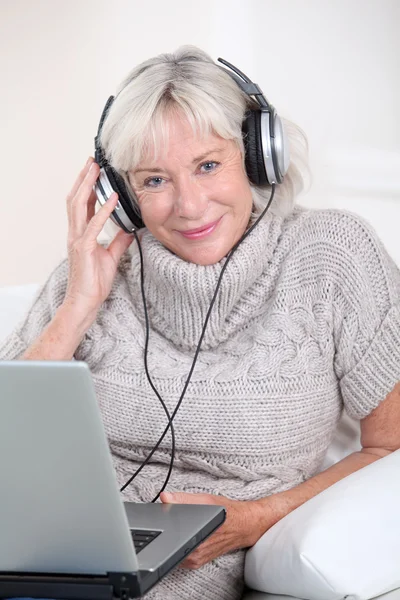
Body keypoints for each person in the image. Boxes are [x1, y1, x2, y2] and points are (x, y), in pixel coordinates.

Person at [1, 46, 400, 600]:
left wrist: (255, 517)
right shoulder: (99, 271)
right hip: (47, 536)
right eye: (155, 180)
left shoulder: (332, 256)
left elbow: (389, 447)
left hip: (190, 564)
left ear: (259, 155)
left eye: (208, 165)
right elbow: (7, 438)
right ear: (122, 195)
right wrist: (78, 305)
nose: (189, 206)